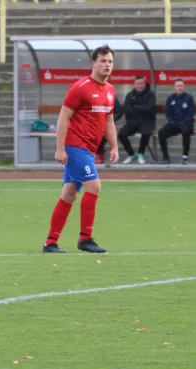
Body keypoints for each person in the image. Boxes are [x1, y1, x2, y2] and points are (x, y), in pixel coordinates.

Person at [42, 45, 120, 254]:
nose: (107, 65)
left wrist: (114, 146)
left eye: (110, 61)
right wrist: (60, 149)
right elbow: (63, 118)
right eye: (103, 61)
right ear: (93, 63)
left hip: (88, 149)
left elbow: (109, 121)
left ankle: (50, 242)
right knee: (94, 187)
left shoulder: (110, 91)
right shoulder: (80, 87)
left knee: (68, 194)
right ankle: (85, 239)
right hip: (75, 146)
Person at [118, 76, 156, 164]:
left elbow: (149, 108)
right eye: (138, 84)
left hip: (147, 121)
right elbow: (127, 109)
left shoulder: (151, 94)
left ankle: (140, 153)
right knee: (121, 134)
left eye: (141, 83)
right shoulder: (130, 95)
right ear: (134, 85)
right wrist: (141, 109)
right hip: (132, 121)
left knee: (146, 133)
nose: (140, 86)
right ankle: (131, 154)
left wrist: (135, 107)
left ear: (144, 84)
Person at [158, 79, 196, 165]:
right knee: (161, 133)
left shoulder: (189, 98)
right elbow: (168, 114)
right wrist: (172, 122)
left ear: (184, 87)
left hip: (186, 123)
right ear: (174, 87)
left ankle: (185, 156)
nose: (179, 88)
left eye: (181, 86)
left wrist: (183, 123)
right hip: (174, 123)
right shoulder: (170, 98)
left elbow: (191, 114)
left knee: (186, 132)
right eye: (177, 86)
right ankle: (165, 157)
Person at [95, 95, 122, 164]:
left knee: (104, 131)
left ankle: (99, 152)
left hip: (107, 122)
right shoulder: (89, 95)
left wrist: (108, 120)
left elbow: (119, 112)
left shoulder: (111, 96)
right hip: (92, 122)